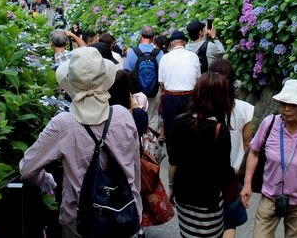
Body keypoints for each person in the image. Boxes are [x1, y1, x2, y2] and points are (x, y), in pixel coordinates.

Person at [20, 47, 142, 238]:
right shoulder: (123, 115)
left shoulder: (63, 124)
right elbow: (135, 168)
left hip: (81, 223)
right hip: (124, 216)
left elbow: (27, 169)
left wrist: (47, 181)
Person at [240, 79, 297, 238]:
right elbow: (254, 152)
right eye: (283, 103)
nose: (286, 109)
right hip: (269, 198)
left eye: (293, 105)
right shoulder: (269, 124)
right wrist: (247, 184)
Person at [168, 72, 234, 238]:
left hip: (183, 194)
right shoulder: (220, 129)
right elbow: (225, 171)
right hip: (209, 199)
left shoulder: (179, 121)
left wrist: (171, 187)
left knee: (187, 234)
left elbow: (173, 161)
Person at [211, 59, 254, 238]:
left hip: (208, 174)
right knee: (229, 221)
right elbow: (247, 145)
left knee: (209, 220)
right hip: (233, 173)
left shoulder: (203, 109)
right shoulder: (245, 109)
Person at [158, 30, 201, 156]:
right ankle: (189, 157)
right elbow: (198, 79)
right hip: (190, 97)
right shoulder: (193, 56)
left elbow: (162, 83)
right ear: (184, 43)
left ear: (171, 44)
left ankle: (173, 160)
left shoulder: (165, 58)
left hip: (170, 97)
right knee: (190, 130)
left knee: (171, 130)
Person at [123, 25, 164, 134]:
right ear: (153, 38)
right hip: (154, 91)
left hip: (137, 91)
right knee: (153, 117)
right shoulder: (158, 53)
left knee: (138, 117)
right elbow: (162, 73)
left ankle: (141, 143)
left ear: (141, 36)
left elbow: (126, 71)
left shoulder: (133, 52)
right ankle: (152, 145)